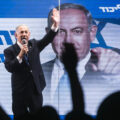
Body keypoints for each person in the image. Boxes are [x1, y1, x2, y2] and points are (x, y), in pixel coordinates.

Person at [42, 3, 120, 116]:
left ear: (92, 32)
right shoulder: (32, 73)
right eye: (60, 32)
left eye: (77, 31)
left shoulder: (113, 65)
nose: (68, 40)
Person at [4, 8, 60, 119]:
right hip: (20, 91)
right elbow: (10, 67)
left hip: (36, 89)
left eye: (26, 32)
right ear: (16, 35)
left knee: (38, 116)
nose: (24, 34)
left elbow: (47, 39)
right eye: (21, 32)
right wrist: (20, 54)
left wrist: (55, 25)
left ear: (29, 34)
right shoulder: (9, 50)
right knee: (19, 116)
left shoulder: (34, 44)